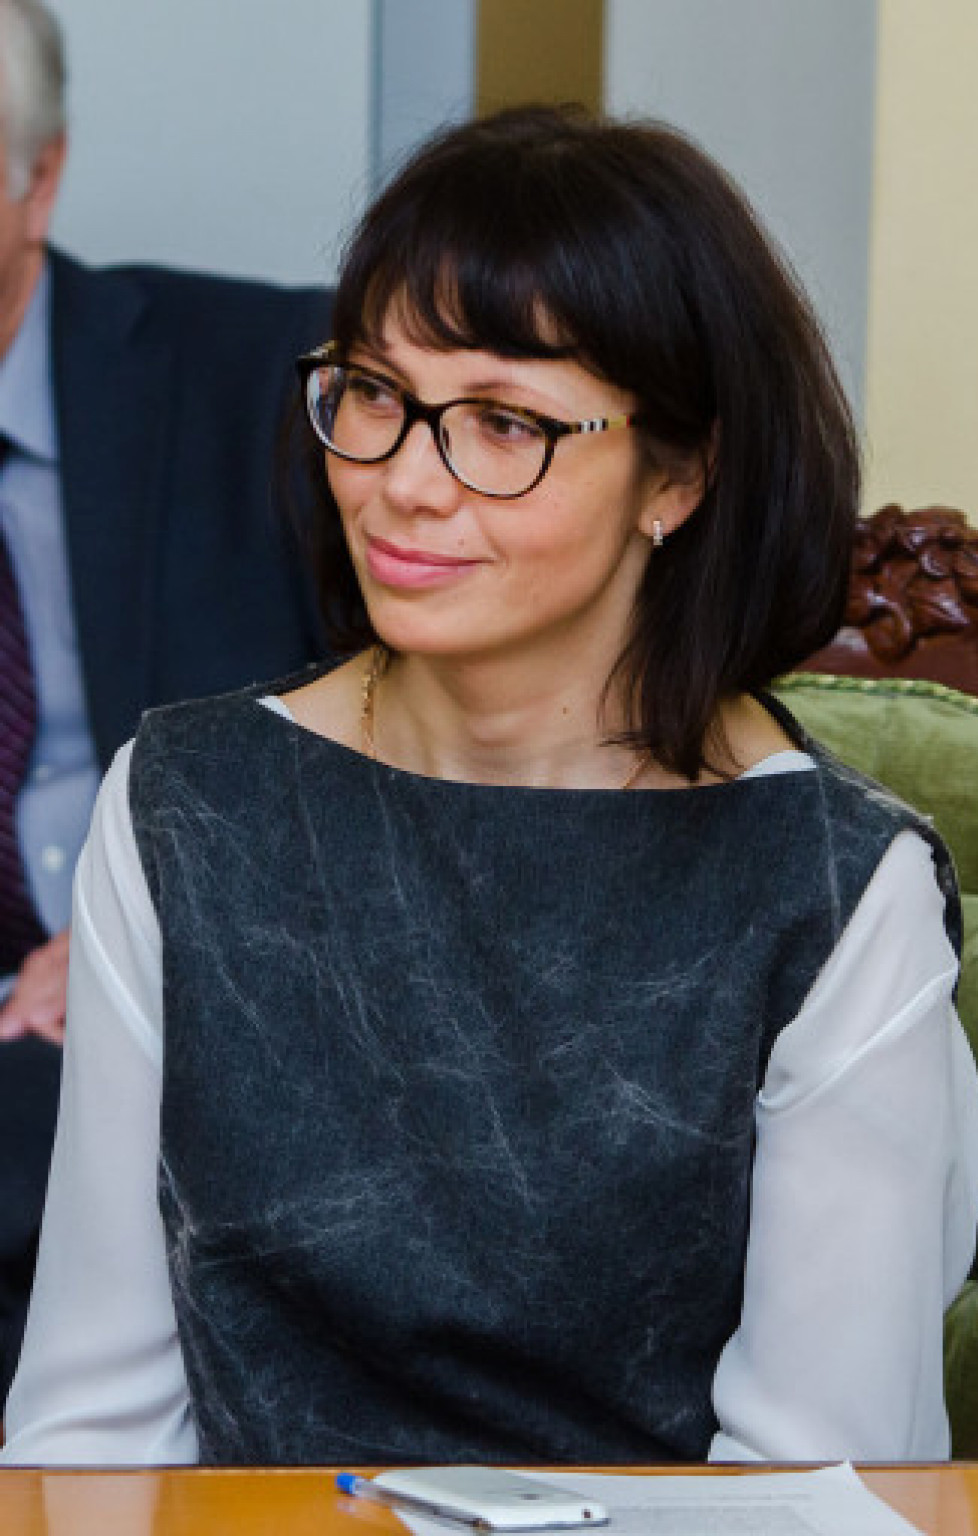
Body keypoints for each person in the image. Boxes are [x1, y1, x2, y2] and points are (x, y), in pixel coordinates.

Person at [1, 104, 978, 1466]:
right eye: (374, 394)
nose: (406, 483)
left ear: (680, 473)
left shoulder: (831, 885)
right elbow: (90, 1429)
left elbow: (814, 1480)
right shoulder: (182, 804)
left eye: (504, 423)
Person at [0, 0, 328, 1403]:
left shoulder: (272, 381)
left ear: (41, 178)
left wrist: (167, 914)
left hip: (226, 1018)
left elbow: (443, 707)